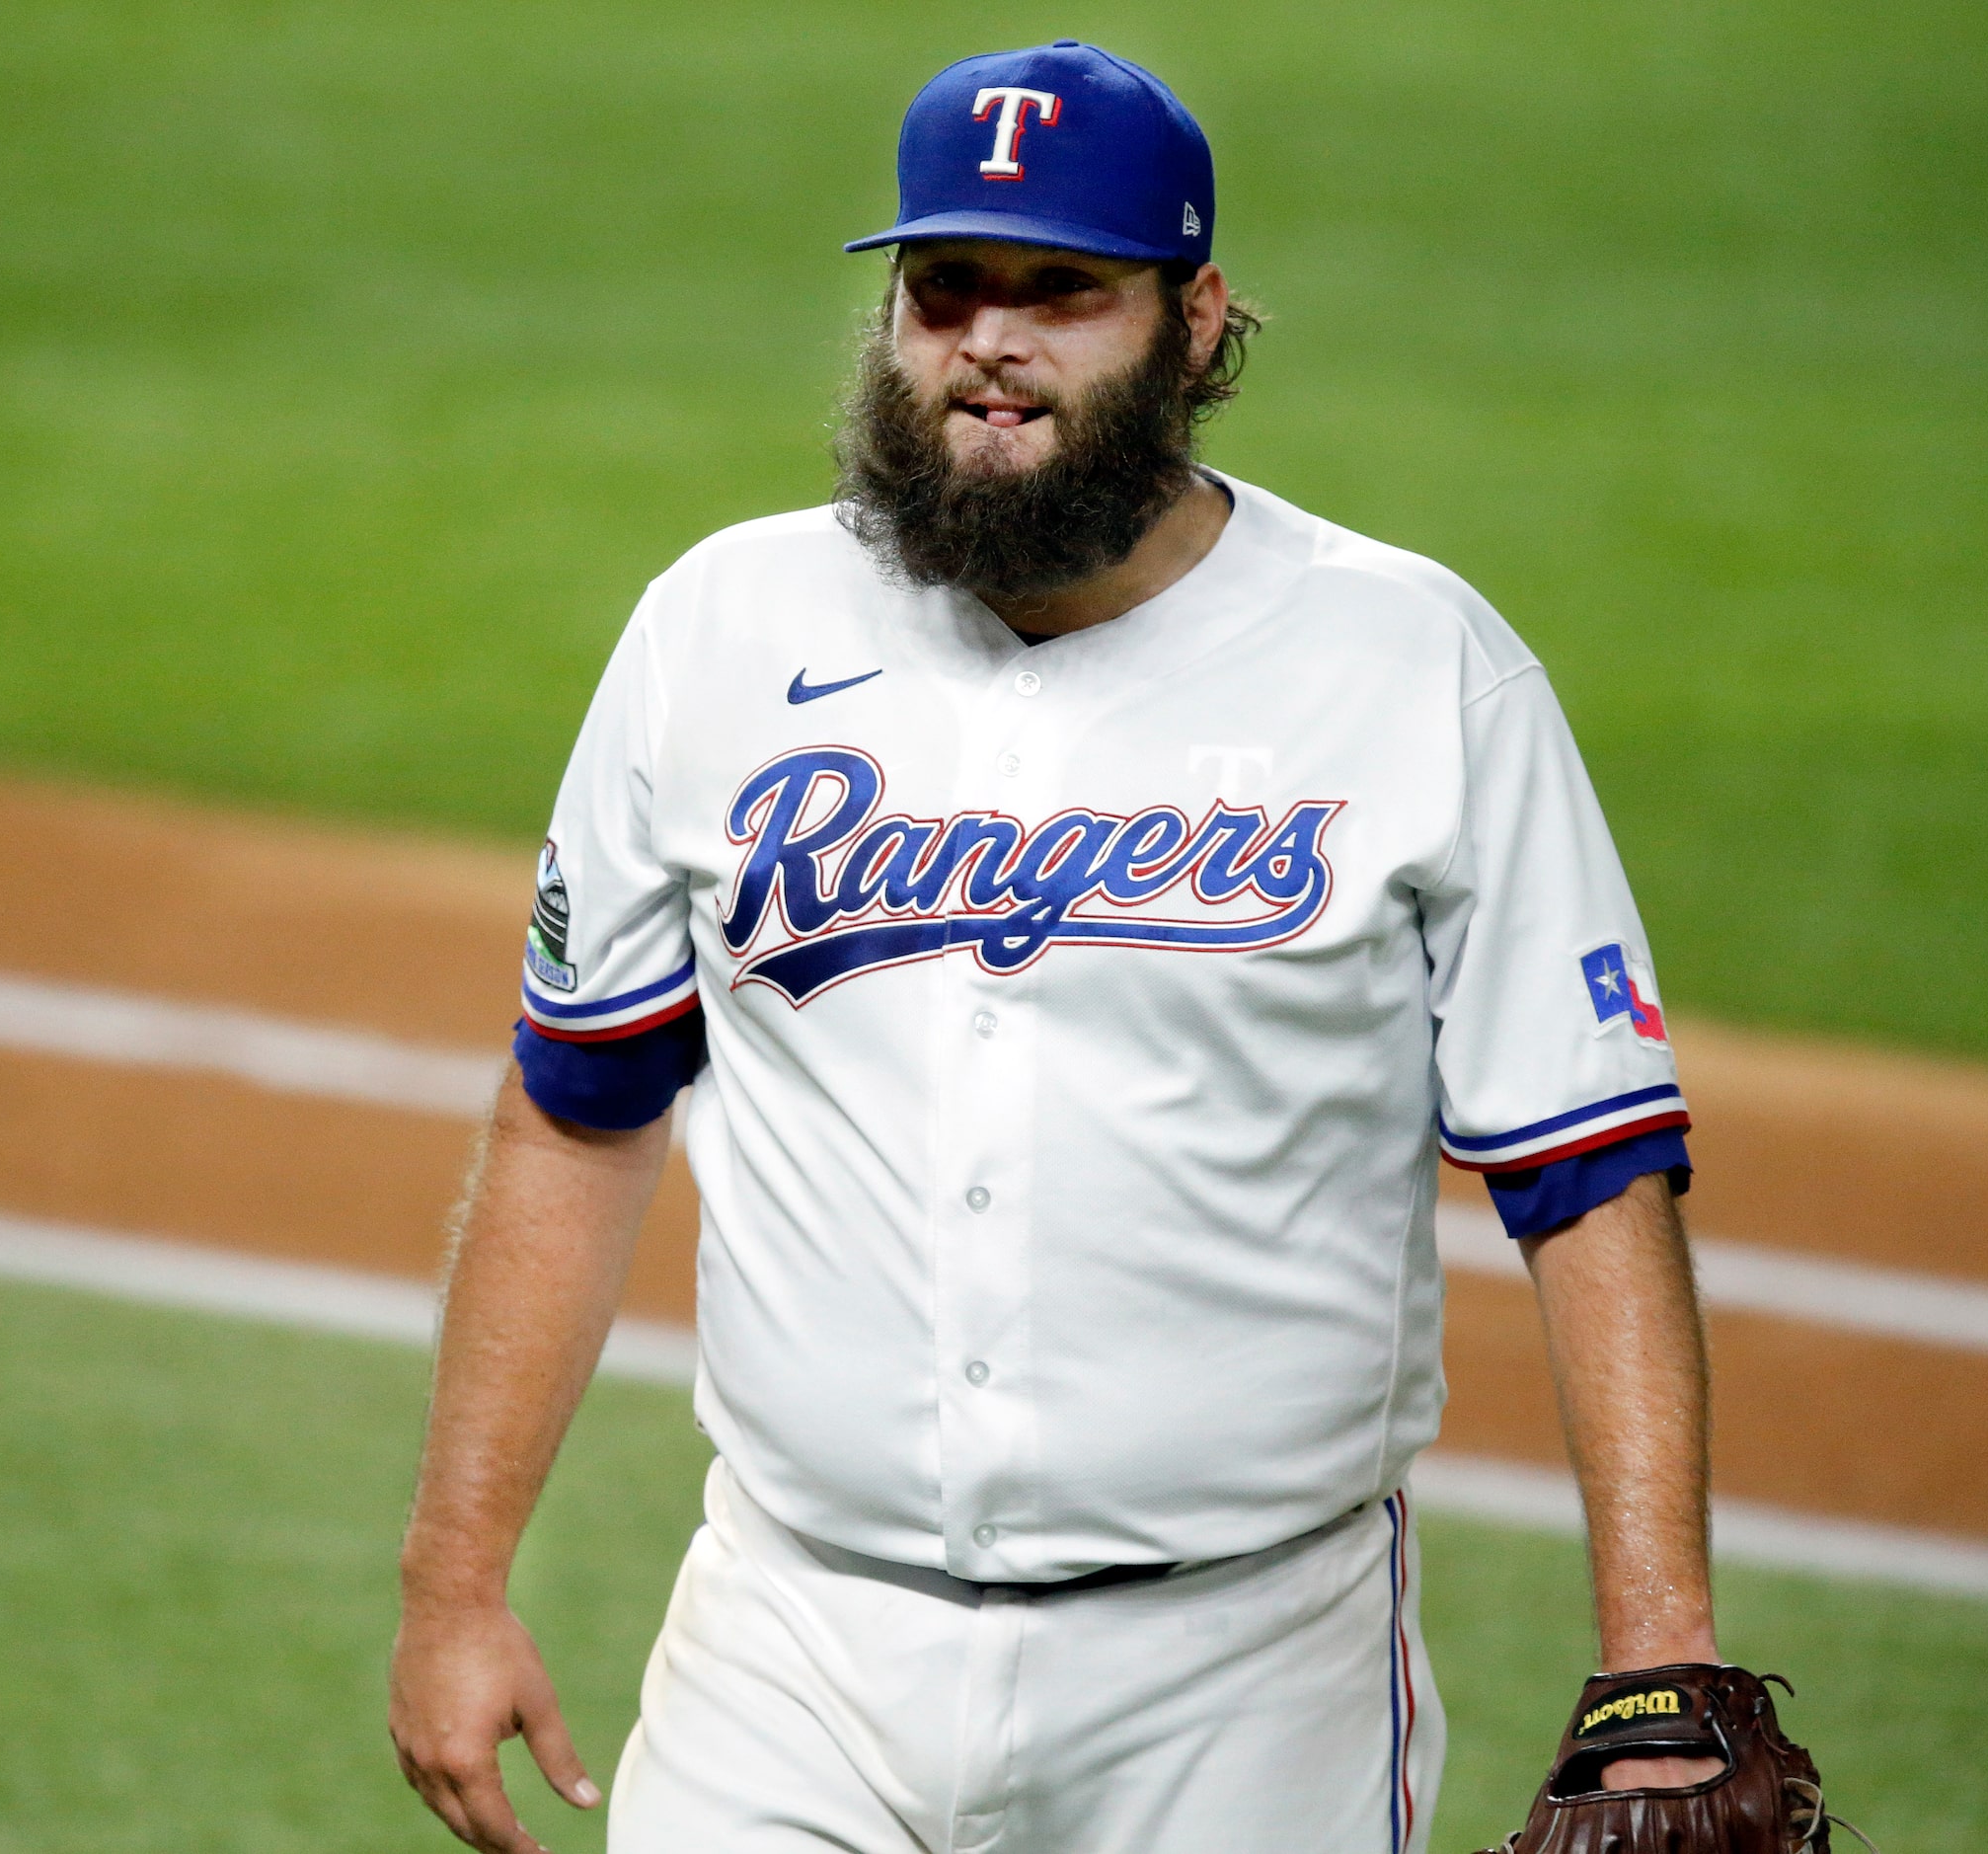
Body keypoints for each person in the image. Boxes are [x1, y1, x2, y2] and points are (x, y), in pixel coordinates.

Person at [389, 39, 1720, 1854]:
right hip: (788, 1649)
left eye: (1062, 293)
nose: (989, 343)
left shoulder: (1416, 665)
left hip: (1246, 1679)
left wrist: (1659, 1664)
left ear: (1195, 321)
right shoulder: (718, 624)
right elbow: (575, 1110)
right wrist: (453, 1585)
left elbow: (1590, 1174)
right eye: (946, 289)